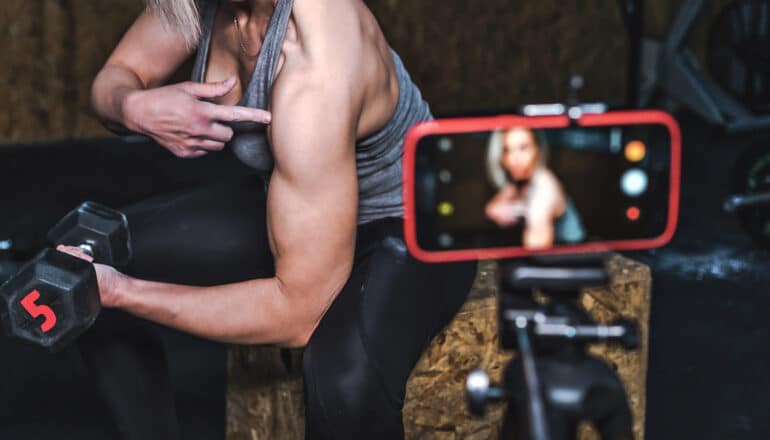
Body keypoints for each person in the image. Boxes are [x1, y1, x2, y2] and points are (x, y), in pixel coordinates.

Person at [63, 0, 477, 439]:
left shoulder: (315, 62)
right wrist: (131, 106)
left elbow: (300, 313)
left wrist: (124, 292)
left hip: (411, 219)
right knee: (90, 259)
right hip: (301, 205)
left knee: (343, 380)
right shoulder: (201, 5)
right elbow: (116, 75)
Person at [485, 127, 585, 249]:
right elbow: (492, 208)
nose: (514, 159)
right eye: (507, 150)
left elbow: (537, 250)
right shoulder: (521, 182)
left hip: (569, 263)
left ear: (537, 149)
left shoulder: (544, 186)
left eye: (523, 148)